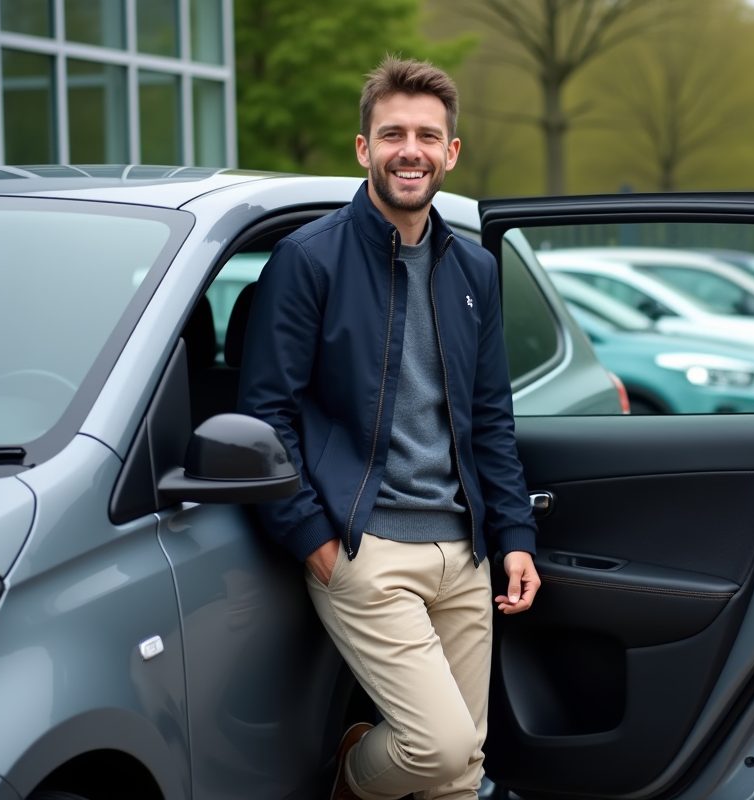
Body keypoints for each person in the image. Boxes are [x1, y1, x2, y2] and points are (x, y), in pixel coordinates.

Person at [237, 56, 540, 800]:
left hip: (464, 553)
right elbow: (264, 416)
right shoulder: (307, 262)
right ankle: (350, 775)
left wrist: (515, 538)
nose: (412, 150)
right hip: (366, 548)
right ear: (364, 148)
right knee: (437, 749)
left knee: (461, 772)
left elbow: (490, 417)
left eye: (428, 136)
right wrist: (313, 540)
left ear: (451, 152)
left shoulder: (473, 270)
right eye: (394, 133)